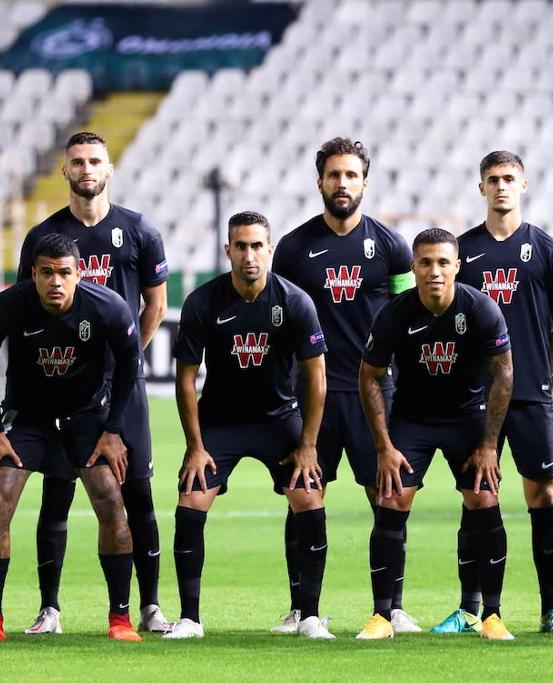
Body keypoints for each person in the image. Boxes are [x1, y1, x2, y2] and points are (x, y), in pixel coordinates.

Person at [15, 132, 171, 635]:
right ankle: (49, 609)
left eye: (95, 161)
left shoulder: (140, 231)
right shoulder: (43, 238)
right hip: (63, 388)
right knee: (56, 492)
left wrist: (125, 365)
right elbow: (25, 310)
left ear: (109, 169)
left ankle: (149, 606)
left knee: (139, 493)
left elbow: (157, 305)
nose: (87, 169)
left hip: (121, 390)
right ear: (65, 170)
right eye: (78, 162)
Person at [0, 232, 143, 644]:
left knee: (111, 498)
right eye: (47, 272)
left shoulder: (107, 307)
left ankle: (120, 619)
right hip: (28, 419)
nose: (56, 282)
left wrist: (114, 429)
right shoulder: (8, 306)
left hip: (87, 416)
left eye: (64, 272)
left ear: (79, 274)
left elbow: (131, 363)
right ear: (33, 273)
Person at [271, 137, 416, 634]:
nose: (342, 183)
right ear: (320, 183)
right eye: (333, 175)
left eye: (351, 175)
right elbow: (279, 321)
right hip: (311, 395)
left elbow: (404, 314)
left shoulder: (393, 247)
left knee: (388, 497)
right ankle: (300, 608)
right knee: (304, 495)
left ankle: (390, 606)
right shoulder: (292, 249)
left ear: (364, 183)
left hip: (373, 393)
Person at [167, 212, 330, 640]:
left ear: (270, 250)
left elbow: (317, 376)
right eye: (240, 246)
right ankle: (189, 618)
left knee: (309, 496)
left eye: (257, 246)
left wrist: (308, 445)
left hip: (279, 419)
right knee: (191, 499)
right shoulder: (204, 302)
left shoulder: (295, 302)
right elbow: (186, 378)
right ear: (228, 251)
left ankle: (309, 615)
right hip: (220, 422)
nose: (249, 255)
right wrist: (195, 445)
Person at [356, 228, 514, 640]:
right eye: (425, 262)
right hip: (414, 419)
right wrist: (384, 446)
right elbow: (370, 377)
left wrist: (489, 446)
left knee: (484, 497)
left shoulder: (480, 309)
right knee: (392, 496)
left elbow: (504, 374)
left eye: (443, 262)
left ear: (457, 266)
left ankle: (492, 615)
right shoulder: (395, 313)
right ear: (413, 267)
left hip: (467, 417)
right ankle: (382, 616)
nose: (435, 271)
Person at [450, 151, 553, 634]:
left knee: (541, 494)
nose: (501, 186)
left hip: (529, 395)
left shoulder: (545, 249)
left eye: (509, 178)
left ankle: (551, 608)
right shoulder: (463, 251)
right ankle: (471, 608)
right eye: (492, 179)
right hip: (476, 398)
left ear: (524, 184)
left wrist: (541, 371)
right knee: (476, 496)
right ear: (480, 188)